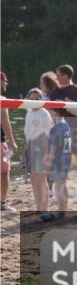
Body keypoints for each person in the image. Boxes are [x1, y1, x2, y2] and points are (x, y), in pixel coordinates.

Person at [50, 64, 77, 179]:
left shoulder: (55, 92)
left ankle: (60, 188)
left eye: (58, 75)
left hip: (61, 130)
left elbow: (52, 114)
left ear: (66, 76)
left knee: (60, 163)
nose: (56, 78)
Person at [23, 87, 52, 214]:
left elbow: (49, 134)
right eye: (32, 99)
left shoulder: (44, 113)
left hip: (42, 148)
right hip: (30, 148)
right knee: (33, 179)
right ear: (28, 99)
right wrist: (25, 151)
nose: (34, 101)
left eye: (37, 99)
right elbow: (27, 133)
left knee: (41, 179)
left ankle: (44, 209)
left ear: (41, 100)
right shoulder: (29, 112)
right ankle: (38, 208)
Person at [42, 108, 71, 220]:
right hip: (66, 158)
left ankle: (61, 211)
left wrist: (49, 161)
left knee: (59, 185)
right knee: (62, 184)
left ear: (55, 112)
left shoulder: (56, 128)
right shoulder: (66, 125)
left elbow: (53, 147)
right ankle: (63, 209)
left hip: (58, 160)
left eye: (51, 110)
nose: (49, 112)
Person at [0, 72, 15, 211]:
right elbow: (5, 122)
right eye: (4, 81)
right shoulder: (2, 100)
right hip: (1, 141)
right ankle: (2, 203)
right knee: (4, 172)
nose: (6, 83)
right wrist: (12, 142)